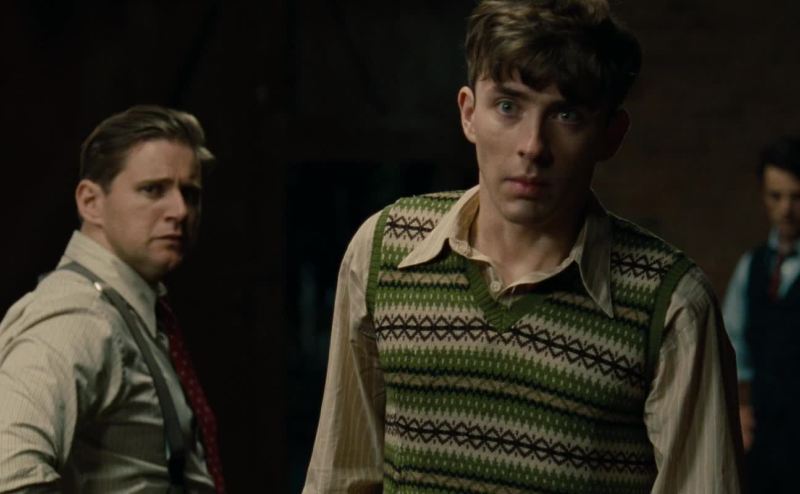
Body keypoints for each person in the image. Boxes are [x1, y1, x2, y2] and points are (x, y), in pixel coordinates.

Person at [304, 1, 743, 493]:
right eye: (508, 106)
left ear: (610, 135)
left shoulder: (672, 306)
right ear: (469, 113)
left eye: (567, 114)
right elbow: (340, 478)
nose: (533, 146)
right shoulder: (385, 250)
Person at [0, 105, 225, 493]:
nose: (180, 210)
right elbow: (9, 471)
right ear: (90, 202)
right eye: (153, 189)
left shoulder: (123, 309)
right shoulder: (78, 315)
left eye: (190, 193)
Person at [722, 136, 800, 493]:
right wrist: (739, 408)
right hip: (764, 443)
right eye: (776, 196)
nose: (786, 209)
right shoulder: (752, 266)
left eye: (797, 197)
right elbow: (732, 347)